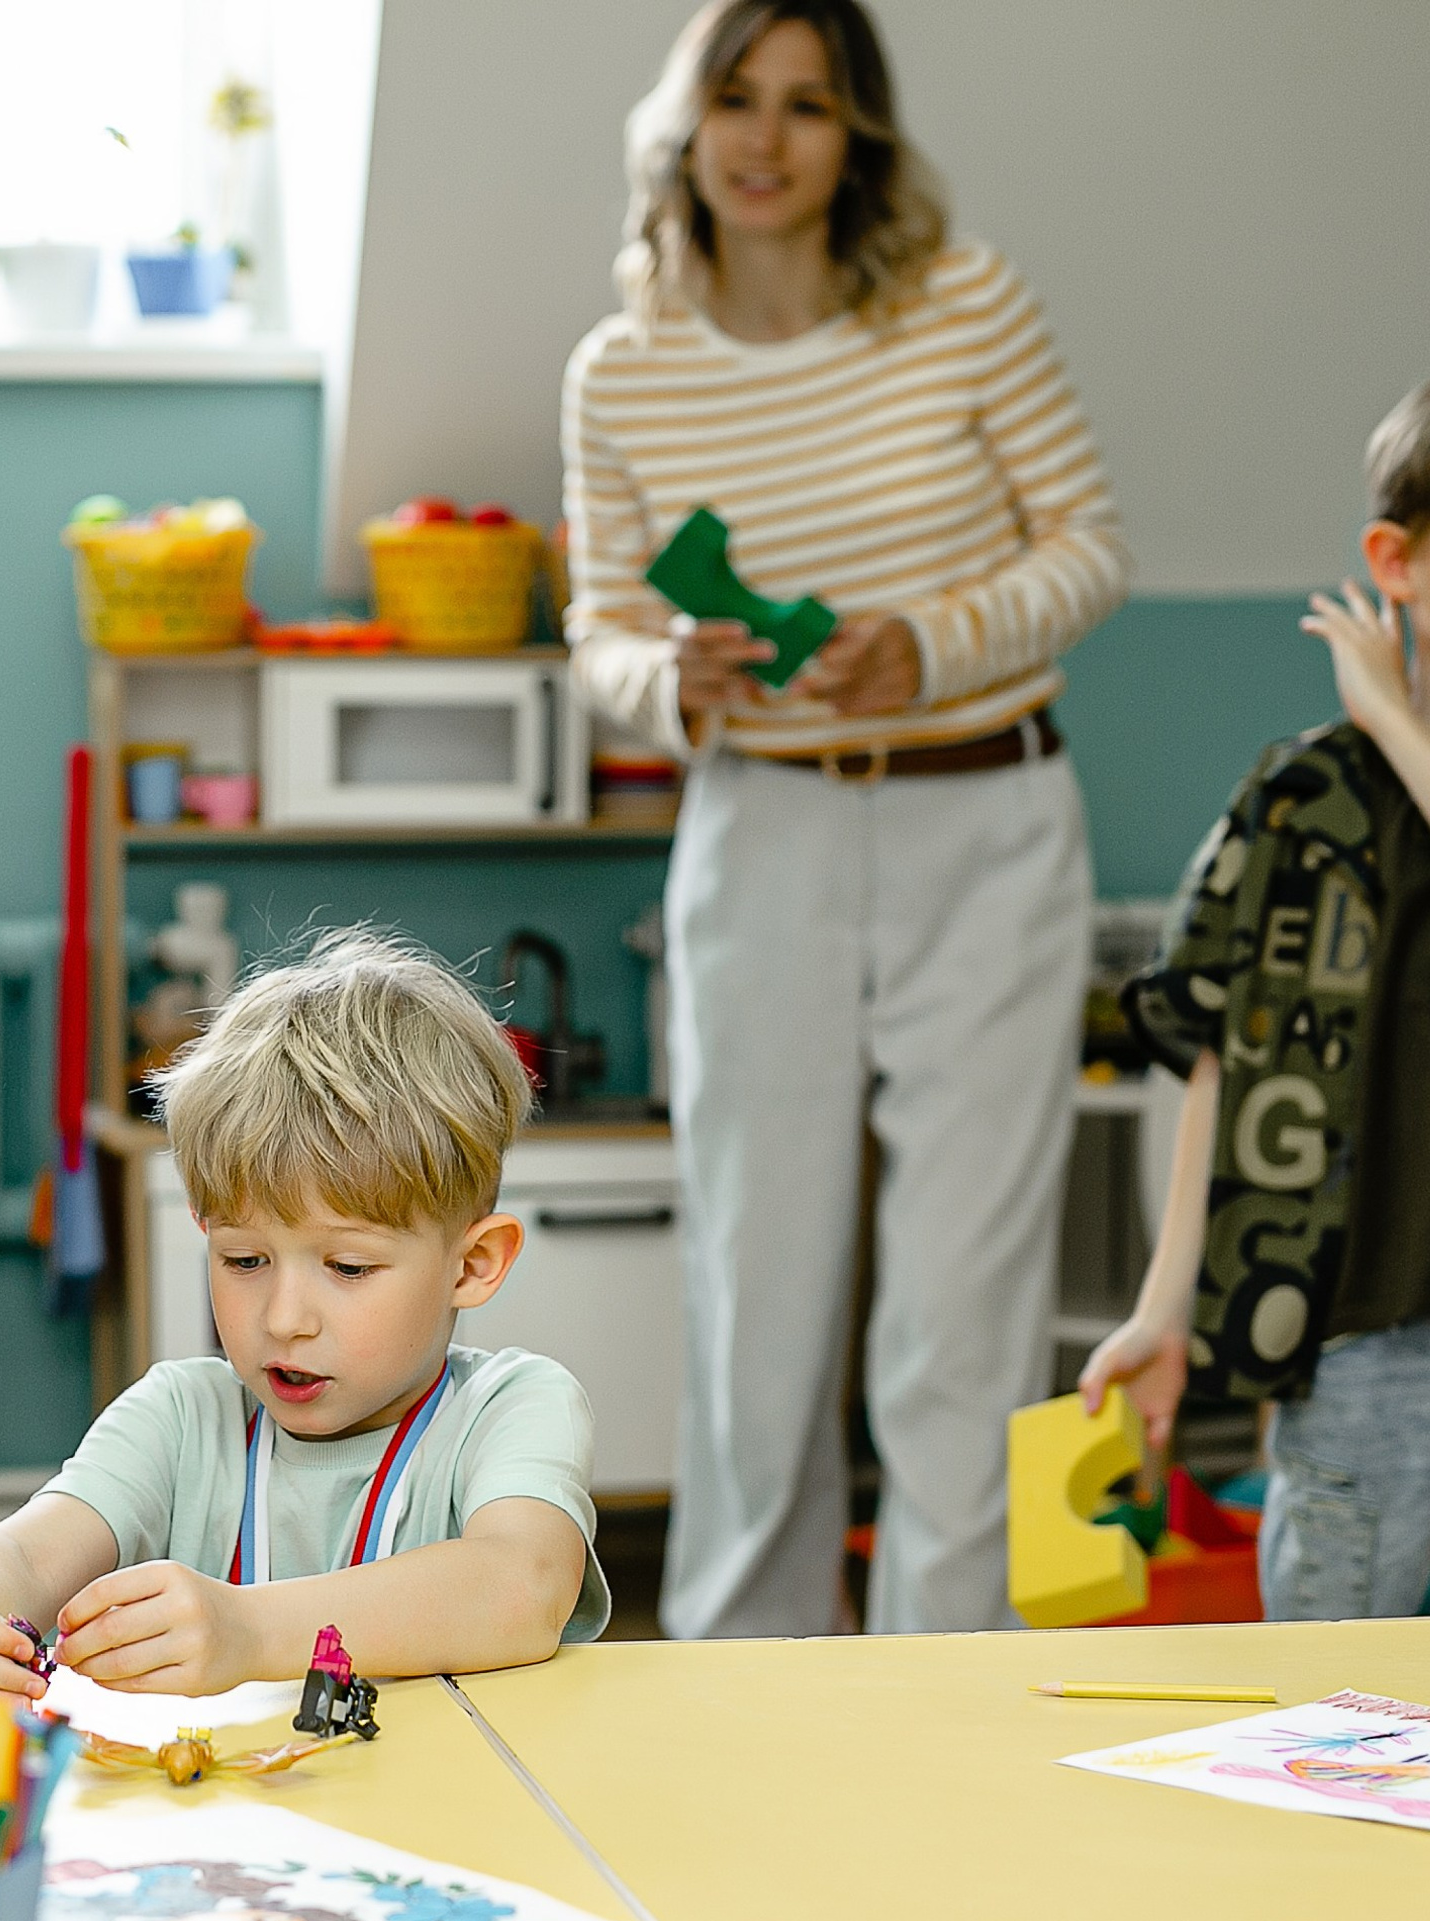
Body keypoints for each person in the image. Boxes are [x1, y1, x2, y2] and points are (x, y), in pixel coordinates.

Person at [565, 0, 1128, 1638]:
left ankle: (947, 1697)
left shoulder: (964, 302)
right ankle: (747, 1687)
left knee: (963, 1321)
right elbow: (599, 629)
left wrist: (930, 645)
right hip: (765, 839)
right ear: (683, 122)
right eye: (736, 99)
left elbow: (1091, 546)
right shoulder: (625, 372)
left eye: (808, 107)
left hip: (991, 827)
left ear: (856, 139)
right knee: (759, 1300)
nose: (764, 140)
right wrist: (677, 681)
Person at [0, 932, 607, 1715]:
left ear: (473, 1266)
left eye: (348, 1268)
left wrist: (248, 1631)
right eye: (244, 1260)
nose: (284, 1319)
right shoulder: (180, 1417)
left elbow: (522, 1587)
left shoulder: (512, 1407)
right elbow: (24, 1551)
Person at [1081, 386, 1430, 1621]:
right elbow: (1224, 1062)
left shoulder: (1375, 739)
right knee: (1336, 1728)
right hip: (1358, 1347)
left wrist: (1393, 712)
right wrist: (1163, 1304)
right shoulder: (1301, 802)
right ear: (1396, 562)